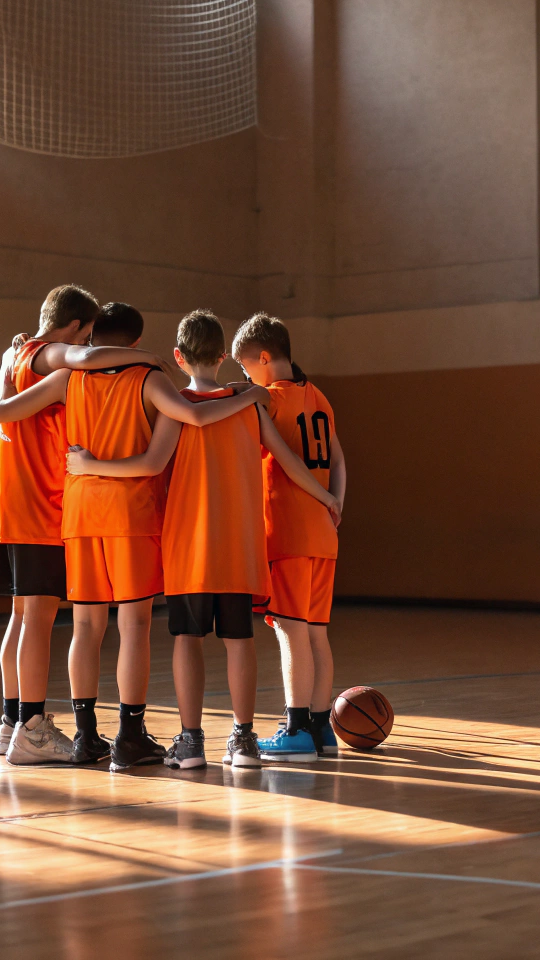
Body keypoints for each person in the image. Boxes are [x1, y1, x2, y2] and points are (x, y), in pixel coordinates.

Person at [0, 306, 272, 769]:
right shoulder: (149, 378)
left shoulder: (68, 378)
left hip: (80, 512)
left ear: (92, 340)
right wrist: (248, 394)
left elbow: (4, 414)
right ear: (137, 341)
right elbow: (193, 416)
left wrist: (6, 368)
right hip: (131, 513)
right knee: (134, 627)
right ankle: (128, 735)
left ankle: (85, 736)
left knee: (85, 627)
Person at [64, 310, 340, 771]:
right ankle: (244, 740)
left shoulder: (175, 408)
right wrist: (326, 496)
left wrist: (89, 466)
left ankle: (191, 741)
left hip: (188, 545)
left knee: (187, 640)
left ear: (178, 356)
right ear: (224, 355)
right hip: (240, 544)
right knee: (240, 640)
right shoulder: (249, 405)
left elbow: (151, 464)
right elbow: (290, 461)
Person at [0, 285, 165, 766]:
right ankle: (33, 727)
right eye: (84, 337)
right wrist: (148, 357)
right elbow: (83, 357)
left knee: (25, 616)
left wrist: (3, 368)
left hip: (18, 503)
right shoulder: (59, 361)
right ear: (78, 328)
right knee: (45, 619)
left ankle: (13, 722)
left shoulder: (19, 360)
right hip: (46, 505)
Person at [231, 313, 346, 761]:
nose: (245, 377)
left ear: (263, 358)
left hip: (290, 530)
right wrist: (336, 502)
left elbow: (289, 463)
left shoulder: (271, 400)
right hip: (323, 531)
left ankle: (296, 729)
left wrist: (323, 496)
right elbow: (338, 458)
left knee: (289, 630)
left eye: (245, 367)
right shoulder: (318, 396)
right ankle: (321, 729)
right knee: (316, 633)